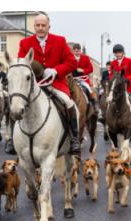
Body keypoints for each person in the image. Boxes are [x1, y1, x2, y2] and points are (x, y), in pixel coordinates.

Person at [13, 12, 80, 155]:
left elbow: (72, 62)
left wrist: (56, 70)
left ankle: (74, 139)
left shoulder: (60, 41)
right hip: (33, 85)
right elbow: (21, 65)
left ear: (49, 26)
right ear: (34, 26)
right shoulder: (25, 43)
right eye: (38, 25)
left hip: (56, 83)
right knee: (16, 103)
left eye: (43, 25)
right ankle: (12, 140)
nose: (40, 28)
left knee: (68, 103)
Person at [109, 44, 131, 121]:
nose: (117, 54)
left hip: (129, 86)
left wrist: (127, 79)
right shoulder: (113, 63)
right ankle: (106, 116)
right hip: (117, 87)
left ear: (122, 53)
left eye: (119, 52)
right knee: (108, 98)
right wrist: (113, 80)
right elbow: (111, 75)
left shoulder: (129, 61)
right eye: (116, 53)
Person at [72, 43, 97, 112]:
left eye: (78, 51)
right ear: (73, 51)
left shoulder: (85, 58)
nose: (77, 52)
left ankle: (94, 105)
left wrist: (83, 70)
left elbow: (91, 69)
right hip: (72, 79)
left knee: (89, 89)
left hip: (83, 79)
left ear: (80, 51)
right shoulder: (70, 58)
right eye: (76, 51)